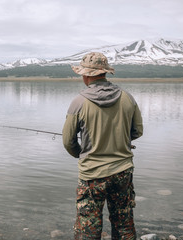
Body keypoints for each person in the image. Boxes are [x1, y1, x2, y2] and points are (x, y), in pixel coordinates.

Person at [62, 52, 143, 240]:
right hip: (123, 172)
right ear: (104, 73)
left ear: (87, 75)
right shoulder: (127, 98)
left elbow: (68, 141)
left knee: (87, 229)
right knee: (124, 224)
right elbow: (138, 131)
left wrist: (82, 154)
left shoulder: (78, 102)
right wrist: (121, 140)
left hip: (92, 175)